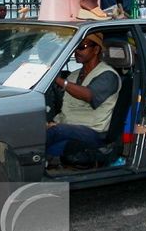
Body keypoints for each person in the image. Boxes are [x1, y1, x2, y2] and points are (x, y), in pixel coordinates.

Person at [46, 32, 121, 160]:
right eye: (75, 47)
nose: (77, 51)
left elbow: (88, 95)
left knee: (54, 133)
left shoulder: (108, 76)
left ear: (96, 49)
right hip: (68, 127)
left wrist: (57, 79)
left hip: (93, 130)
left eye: (82, 46)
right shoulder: (74, 75)